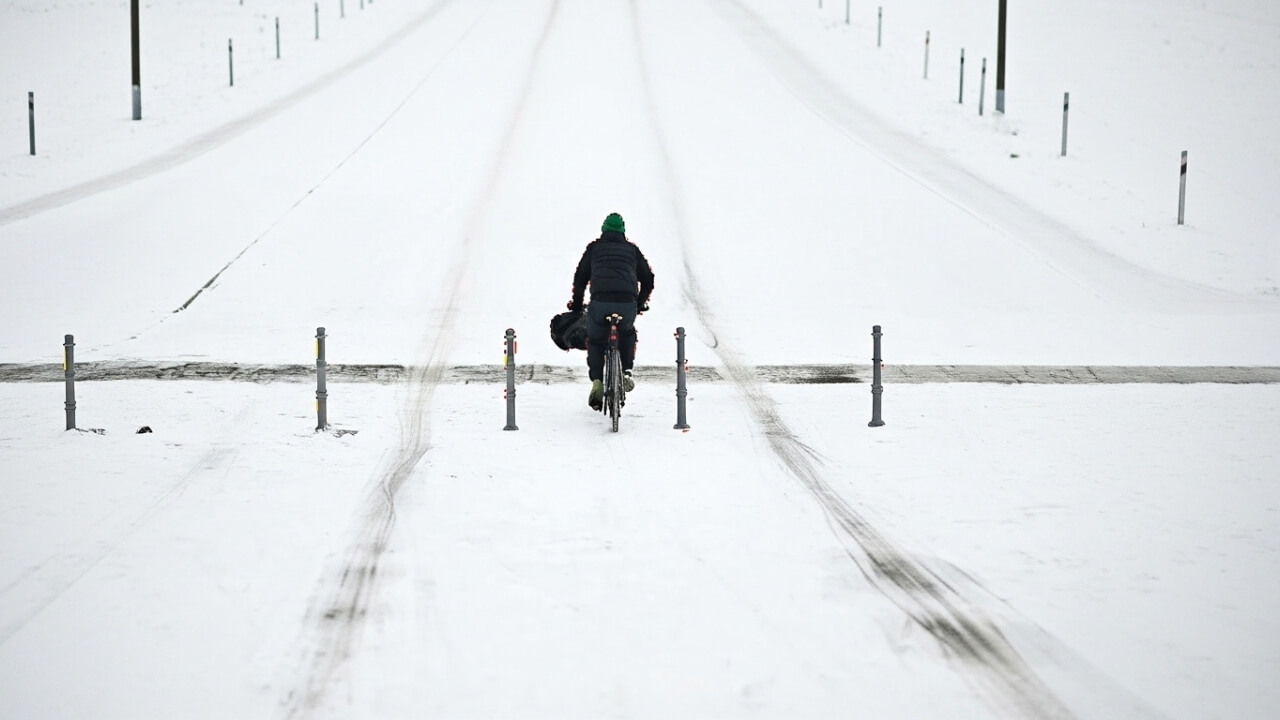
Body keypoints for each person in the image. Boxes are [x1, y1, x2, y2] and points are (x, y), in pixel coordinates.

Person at [568, 212, 655, 410]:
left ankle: (597, 381)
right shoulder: (632, 250)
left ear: (603, 229)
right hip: (627, 303)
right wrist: (640, 302)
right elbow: (648, 279)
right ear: (623, 231)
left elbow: (580, 278)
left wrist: (577, 304)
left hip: (600, 302)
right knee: (626, 333)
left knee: (596, 340)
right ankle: (625, 372)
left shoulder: (594, 248)